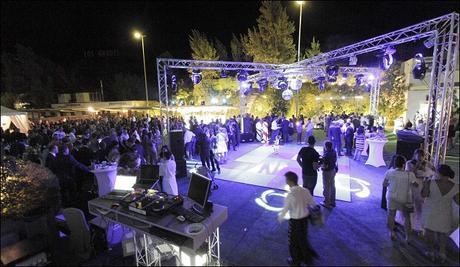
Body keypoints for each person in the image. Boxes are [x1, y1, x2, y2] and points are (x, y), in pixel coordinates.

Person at [278, 171, 318, 266]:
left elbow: (285, 209)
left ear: (290, 181)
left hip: (295, 221)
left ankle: (295, 261)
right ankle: (307, 258)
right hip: (305, 220)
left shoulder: (290, 195)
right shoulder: (305, 191)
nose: (286, 182)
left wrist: (280, 218)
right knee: (303, 238)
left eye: (286, 180)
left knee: (293, 242)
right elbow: (313, 203)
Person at [421, 165, 459, 263]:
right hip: (445, 214)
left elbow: (424, 195)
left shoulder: (430, 183)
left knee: (429, 235)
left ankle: (431, 252)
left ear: (439, 173)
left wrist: (424, 185)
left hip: (430, 213)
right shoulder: (455, 186)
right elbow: (458, 201)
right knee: (442, 235)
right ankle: (442, 254)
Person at [382, 155, 418, 242]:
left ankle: (391, 232)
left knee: (391, 215)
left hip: (391, 197)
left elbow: (384, 184)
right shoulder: (410, 174)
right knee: (407, 217)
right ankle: (407, 237)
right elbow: (416, 185)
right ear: (404, 164)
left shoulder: (389, 172)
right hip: (405, 198)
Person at [321, 141, 337, 209]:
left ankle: (327, 203)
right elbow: (335, 160)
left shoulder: (326, 155)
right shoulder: (334, 151)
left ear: (326, 146)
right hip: (333, 170)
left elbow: (325, 166)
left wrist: (321, 167)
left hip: (327, 172)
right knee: (332, 186)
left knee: (326, 187)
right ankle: (332, 201)